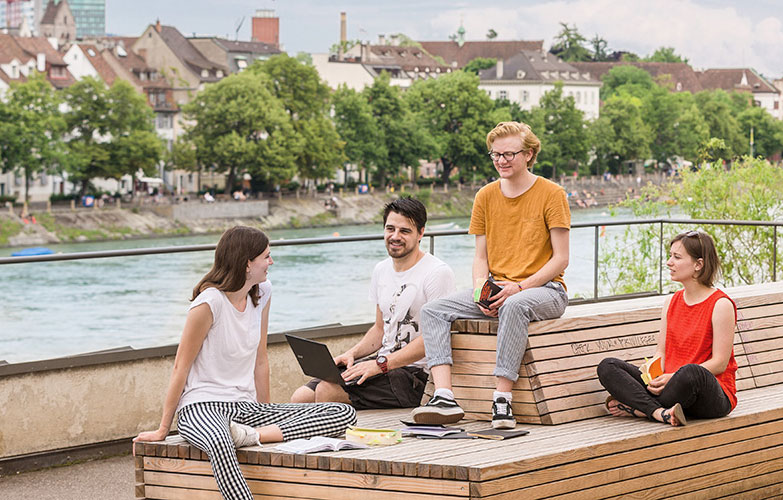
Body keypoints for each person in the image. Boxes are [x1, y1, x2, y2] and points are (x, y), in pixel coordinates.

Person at [134, 226, 356, 500]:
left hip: (246, 410)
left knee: (342, 413)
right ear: (247, 263)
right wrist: (163, 429)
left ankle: (250, 435)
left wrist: (265, 408)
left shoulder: (262, 292)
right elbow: (181, 366)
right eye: (266, 256)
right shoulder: (209, 303)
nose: (271, 262)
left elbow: (260, 360)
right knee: (219, 441)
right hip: (201, 408)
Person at [410, 121, 571, 429]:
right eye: (495, 154)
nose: (501, 160)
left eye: (509, 154)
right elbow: (480, 256)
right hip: (498, 287)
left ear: (529, 154)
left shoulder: (552, 194)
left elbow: (561, 259)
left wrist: (520, 287)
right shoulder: (485, 196)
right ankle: (444, 395)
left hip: (546, 290)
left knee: (514, 305)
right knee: (433, 311)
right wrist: (480, 291)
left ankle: (502, 399)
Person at [290, 197, 455, 408]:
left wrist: (380, 365)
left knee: (327, 390)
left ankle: (329, 440)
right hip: (382, 363)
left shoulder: (437, 273)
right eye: (390, 229)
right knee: (300, 397)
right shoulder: (381, 270)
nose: (395, 237)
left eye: (404, 231)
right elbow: (379, 330)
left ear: (421, 233)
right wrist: (352, 354)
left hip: (414, 375)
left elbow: (435, 339)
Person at [597, 230, 737, 426]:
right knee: (608, 366)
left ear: (698, 264)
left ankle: (640, 408)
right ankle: (659, 412)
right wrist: (654, 374)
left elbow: (720, 363)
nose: (669, 262)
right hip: (669, 387)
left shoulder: (721, 305)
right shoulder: (671, 302)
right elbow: (660, 352)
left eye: (677, 257)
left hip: (709, 394)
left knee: (691, 372)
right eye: (670, 256)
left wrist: (673, 378)